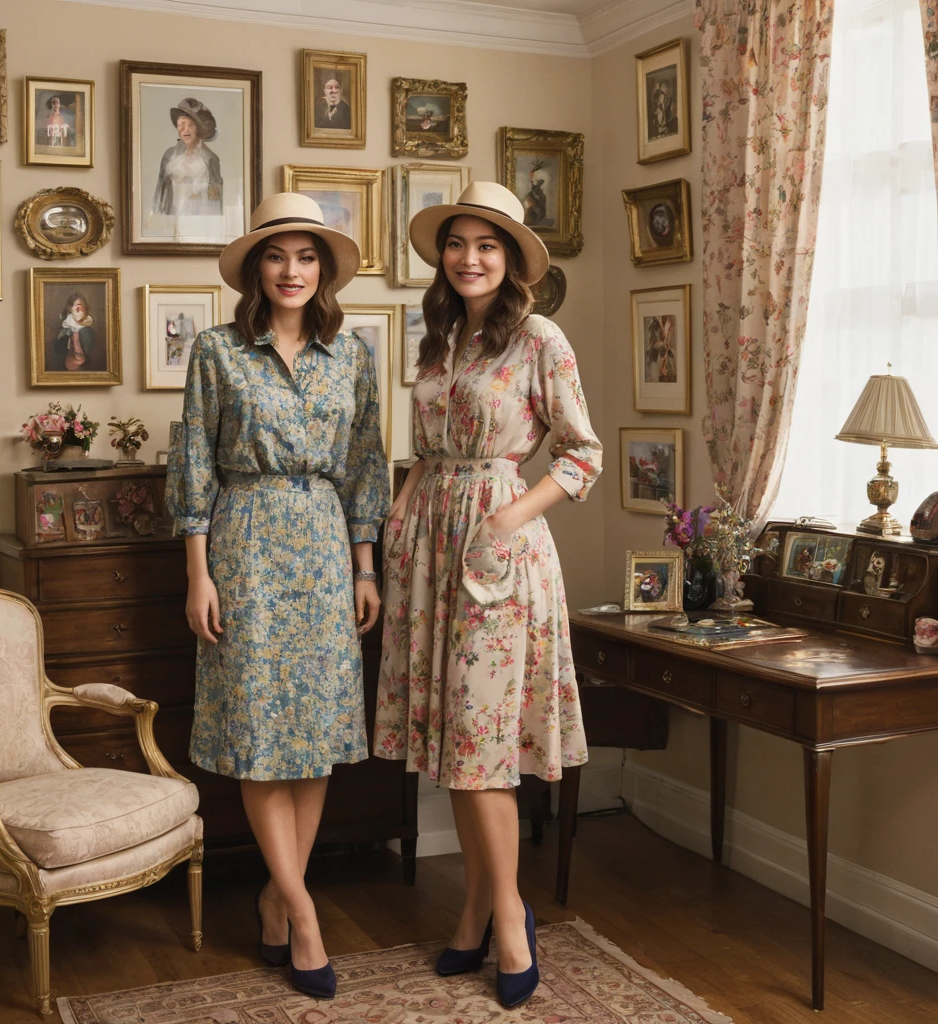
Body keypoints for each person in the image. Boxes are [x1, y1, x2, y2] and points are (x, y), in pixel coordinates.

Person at [374, 182, 602, 1009]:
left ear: (510, 262)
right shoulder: (437, 338)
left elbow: (581, 456)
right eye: (457, 244)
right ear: (443, 256)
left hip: (497, 554)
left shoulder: (540, 337)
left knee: (481, 753)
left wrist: (509, 514)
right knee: (455, 751)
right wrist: (402, 511)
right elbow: (428, 449)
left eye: (487, 246)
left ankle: (509, 916)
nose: (469, 258)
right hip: (430, 547)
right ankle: (475, 904)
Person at [166, 192, 389, 1001]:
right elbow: (192, 464)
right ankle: (304, 912)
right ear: (256, 267)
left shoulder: (353, 356)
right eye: (276, 255)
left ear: (323, 270)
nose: (291, 271)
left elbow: (367, 464)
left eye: (306, 257)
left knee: (317, 728)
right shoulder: (218, 352)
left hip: (327, 546)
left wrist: (366, 568)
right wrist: (199, 572)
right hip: (246, 543)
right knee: (261, 726)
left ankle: (273, 895)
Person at [151, 98, 223, 226]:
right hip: (171, 220)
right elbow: (160, 194)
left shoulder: (211, 159)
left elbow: (215, 201)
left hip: (200, 222)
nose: (185, 130)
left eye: (190, 125)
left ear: (198, 129)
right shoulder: (169, 156)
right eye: (181, 125)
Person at [48, 293, 103, 373]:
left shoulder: (88, 332)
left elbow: (84, 358)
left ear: (85, 309)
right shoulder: (62, 331)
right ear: (69, 309)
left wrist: (76, 338)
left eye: (81, 306)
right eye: (75, 306)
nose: (78, 309)